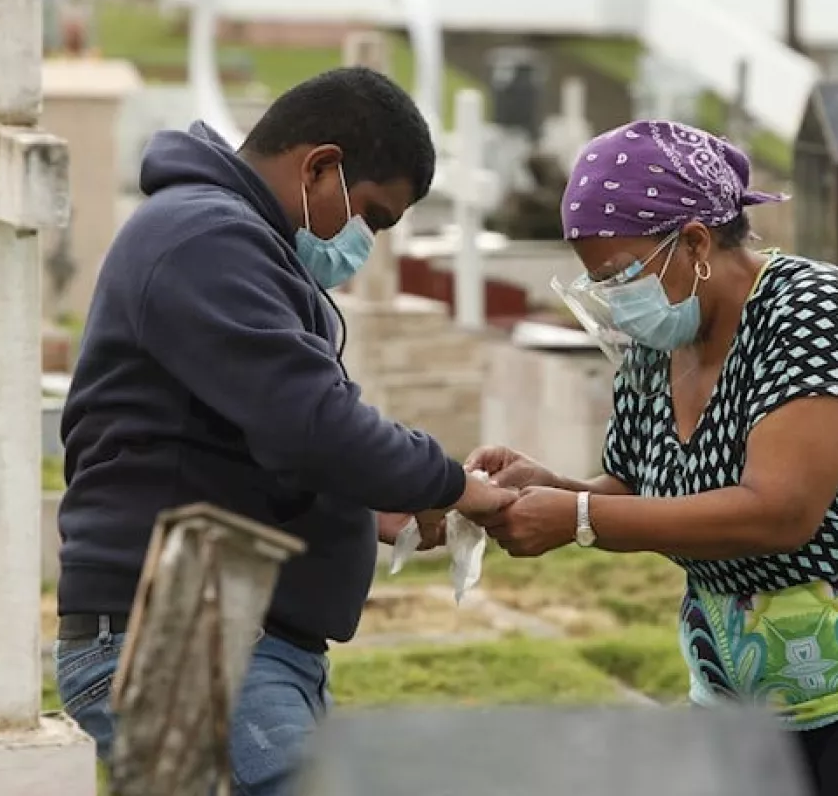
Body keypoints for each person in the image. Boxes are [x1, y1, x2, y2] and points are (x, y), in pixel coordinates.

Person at [469, 120, 838, 796]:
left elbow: (781, 509)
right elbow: (637, 490)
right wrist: (548, 488)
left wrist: (580, 517)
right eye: (599, 283)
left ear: (697, 242)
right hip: (749, 703)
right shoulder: (658, 345)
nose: (615, 300)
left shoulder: (814, 310)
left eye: (620, 276)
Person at [53, 67, 514, 795]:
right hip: (189, 637)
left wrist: (371, 514)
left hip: (240, 638)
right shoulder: (205, 236)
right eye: (372, 216)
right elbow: (313, 425)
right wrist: (456, 484)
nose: (365, 242)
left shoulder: (234, 242)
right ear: (320, 167)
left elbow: (238, 444)